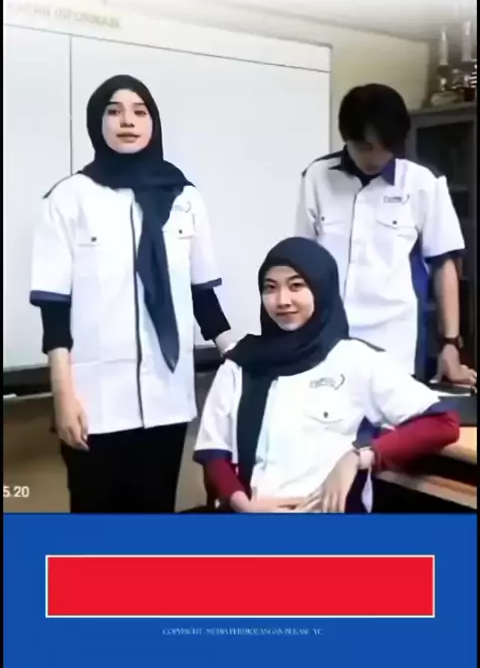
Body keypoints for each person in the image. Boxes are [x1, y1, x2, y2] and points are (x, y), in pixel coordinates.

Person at [30, 74, 235, 514]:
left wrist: (238, 355)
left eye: (140, 111)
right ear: (97, 122)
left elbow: (201, 294)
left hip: (166, 399)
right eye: (114, 111)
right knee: (95, 524)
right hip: (94, 402)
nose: (128, 121)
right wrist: (63, 397)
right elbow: (54, 310)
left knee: (153, 520)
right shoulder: (68, 198)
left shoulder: (185, 197)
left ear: (153, 122)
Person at [193, 238, 460, 513]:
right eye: (270, 288)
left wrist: (359, 458)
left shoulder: (356, 359)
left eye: (296, 286)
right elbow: (214, 453)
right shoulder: (240, 363)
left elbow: (443, 423)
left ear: (321, 288)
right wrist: (244, 506)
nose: (282, 300)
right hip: (252, 519)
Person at [296, 84, 476, 386]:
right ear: (347, 137)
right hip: (326, 336)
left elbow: (444, 264)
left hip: (395, 340)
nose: (376, 157)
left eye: (385, 147)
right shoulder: (317, 176)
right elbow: (299, 260)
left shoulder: (422, 183)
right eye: (365, 147)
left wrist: (450, 344)